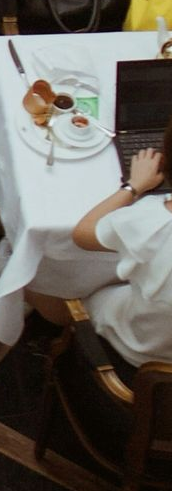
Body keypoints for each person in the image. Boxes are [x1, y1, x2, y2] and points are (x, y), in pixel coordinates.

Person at [66, 115, 172, 366]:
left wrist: (133, 186)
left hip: (142, 348)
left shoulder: (152, 220)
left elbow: (83, 234)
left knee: (63, 278)